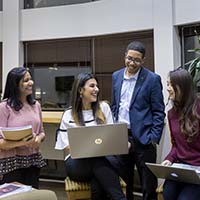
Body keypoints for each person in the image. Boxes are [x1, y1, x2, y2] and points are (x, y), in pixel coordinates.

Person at [55, 72, 127, 200]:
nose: (96, 89)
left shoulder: (104, 108)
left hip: (103, 159)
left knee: (97, 178)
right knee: (98, 163)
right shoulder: (68, 114)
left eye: (97, 86)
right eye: (92, 86)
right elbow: (66, 146)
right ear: (80, 90)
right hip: (77, 164)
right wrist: (87, 149)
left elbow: (111, 137)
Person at [109, 41, 165, 200]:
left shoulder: (152, 79)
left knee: (148, 186)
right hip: (121, 136)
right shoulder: (116, 76)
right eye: (129, 58)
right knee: (125, 183)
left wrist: (153, 138)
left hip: (144, 139)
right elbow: (115, 106)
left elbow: (159, 111)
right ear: (125, 56)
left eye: (136, 60)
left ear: (143, 60)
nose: (132, 63)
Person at [0, 67, 46, 188]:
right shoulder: (4, 107)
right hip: (10, 163)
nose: (31, 83)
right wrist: (21, 142)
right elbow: (0, 142)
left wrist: (38, 140)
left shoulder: (36, 105)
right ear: (15, 84)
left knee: (32, 195)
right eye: (26, 80)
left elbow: (41, 132)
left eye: (30, 79)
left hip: (33, 161)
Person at [162, 68, 200, 200]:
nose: (168, 88)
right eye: (167, 84)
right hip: (181, 167)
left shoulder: (198, 108)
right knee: (167, 194)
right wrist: (169, 159)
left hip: (198, 169)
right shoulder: (171, 113)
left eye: (172, 84)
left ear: (183, 87)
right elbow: (176, 146)